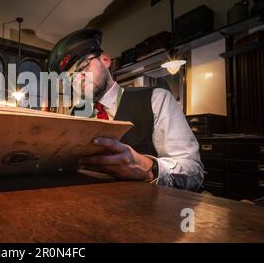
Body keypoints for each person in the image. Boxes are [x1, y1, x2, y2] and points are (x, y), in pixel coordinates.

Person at [48, 28, 204, 191]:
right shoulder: (74, 114)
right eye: (70, 78)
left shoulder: (156, 99)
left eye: (83, 66)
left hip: (146, 207)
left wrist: (150, 168)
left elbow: (194, 172)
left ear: (105, 59)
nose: (78, 79)